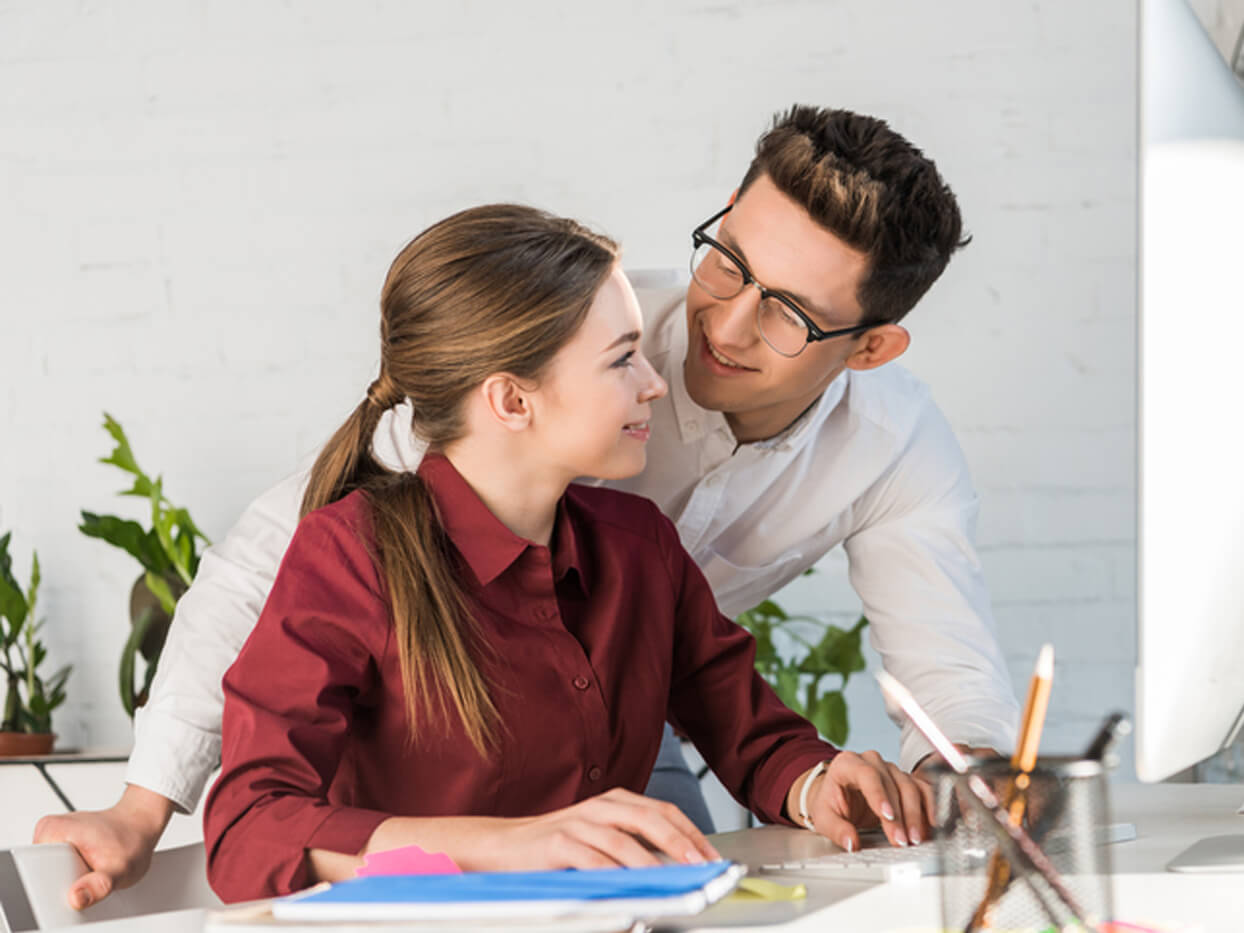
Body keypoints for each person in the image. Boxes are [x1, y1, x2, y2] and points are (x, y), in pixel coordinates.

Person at [35, 105, 1018, 910]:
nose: (712, 331)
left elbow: (776, 716)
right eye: (727, 264)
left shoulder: (647, 539)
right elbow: (256, 803)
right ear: (511, 398)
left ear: (867, 348)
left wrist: (838, 781)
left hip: (604, 792)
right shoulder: (528, 354)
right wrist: (141, 804)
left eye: (789, 313)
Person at [201, 203, 930, 902]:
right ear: (513, 401)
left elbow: (754, 737)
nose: (654, 384)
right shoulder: (351, 555)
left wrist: (820, 783)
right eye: (622, 361)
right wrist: (510, 844)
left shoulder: (641, 549)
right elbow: (248, 825)